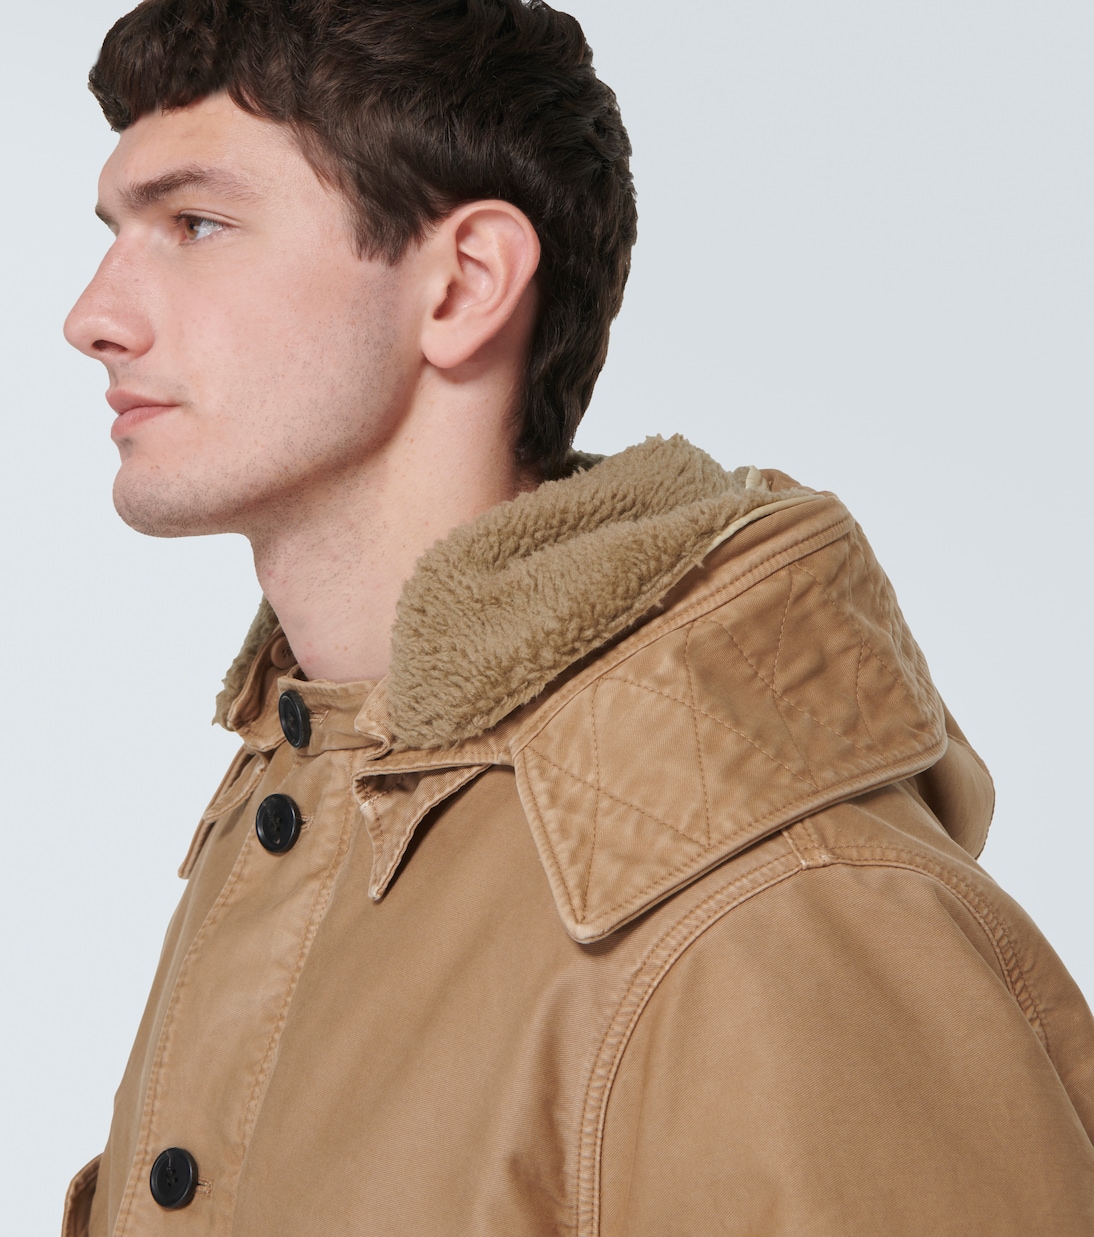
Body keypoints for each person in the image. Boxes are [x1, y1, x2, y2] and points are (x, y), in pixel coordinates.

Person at [61, 0, 1094, 1233]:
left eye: (195, 224)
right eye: (117, 233)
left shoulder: (772, 917)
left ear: (464, 284)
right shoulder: (303, 797)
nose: (93, 318)